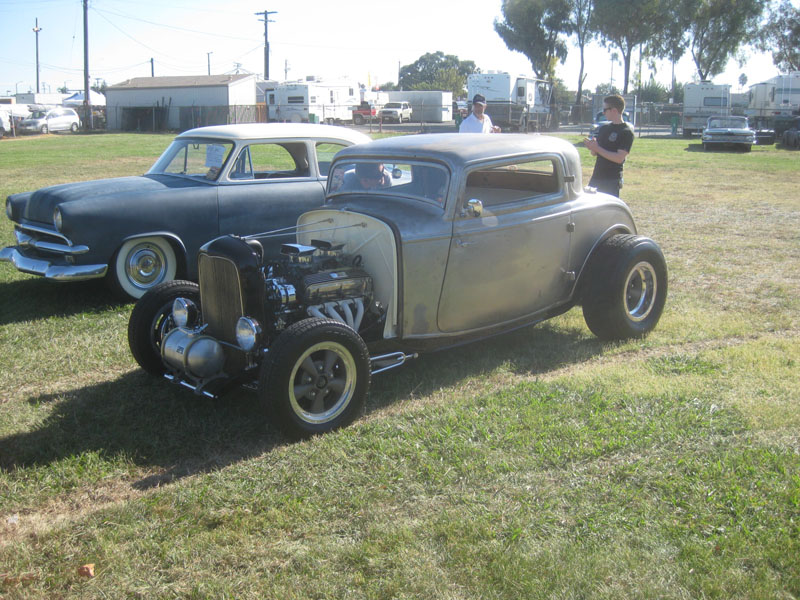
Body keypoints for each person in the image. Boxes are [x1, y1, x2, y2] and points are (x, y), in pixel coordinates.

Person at [584, 94, 633, 197]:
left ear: (614, 110)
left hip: (611, 180)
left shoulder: (626, 132)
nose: (603, 112)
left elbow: (619, 158)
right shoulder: (604, 129)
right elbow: (595, 153)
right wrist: (593, 147)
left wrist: (598, 148)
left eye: (605, 109)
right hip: (596, 177)